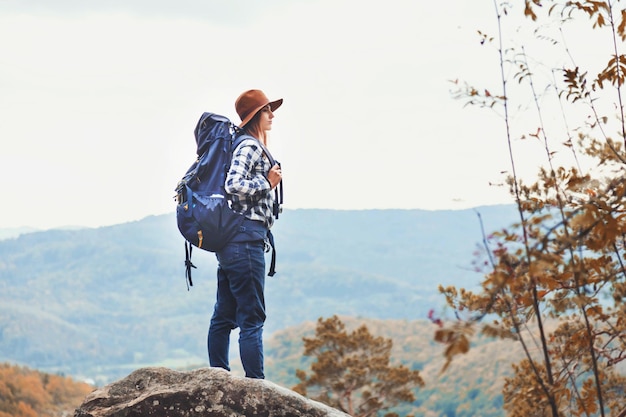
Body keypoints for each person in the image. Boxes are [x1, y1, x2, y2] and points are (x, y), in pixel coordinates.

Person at [207, 89, 283, 379]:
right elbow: (234, 184)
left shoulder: (244, 144)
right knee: (252, 317)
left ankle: (217, 378)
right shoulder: (250, 146)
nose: (272, 115)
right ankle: (256, 385)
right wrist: (266, 183)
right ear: (255, 117)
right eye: (267, 110)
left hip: (231, 243)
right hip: (245, 241)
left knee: (224, 315)